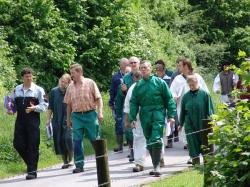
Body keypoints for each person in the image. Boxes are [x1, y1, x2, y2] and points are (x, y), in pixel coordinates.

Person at [130, 61, 176, 177]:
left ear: (151, 69)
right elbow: (134, 102)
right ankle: (157, 161)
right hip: (145, 115)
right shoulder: (138, 85)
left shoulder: (159, 82)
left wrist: (171, 115)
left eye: (145, 67)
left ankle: (156, 167)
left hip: (158, 114)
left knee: (155, 139)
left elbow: (169, 99)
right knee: (150, 140)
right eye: (142, 68)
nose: (143, 70)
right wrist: (132, 118)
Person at [7, 68, 48, 180]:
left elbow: (45, 105)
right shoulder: (17, 89)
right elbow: (10, 101)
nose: (29, 78)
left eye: (30, 76)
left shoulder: (39, 90)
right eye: (26, 76)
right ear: (22, 77)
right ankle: (31, 164)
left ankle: (32, 171)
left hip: (33, 121)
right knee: (17, 144)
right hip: (20, 121)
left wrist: (35, 108)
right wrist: (10, 109)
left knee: (33, 146)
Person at [64, 63, 103, 173]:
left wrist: (100, 113)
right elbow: (68, 105)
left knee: (95, 139)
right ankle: (79, 165)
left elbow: (99, 99)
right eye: (71, 73)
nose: (71, 76)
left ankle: (101, 160)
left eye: (73, 73)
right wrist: (68, 119)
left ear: (80, 72)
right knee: (77, 141)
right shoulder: (70, 87)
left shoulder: (90, 83)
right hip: (76, 116)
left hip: (90, 114)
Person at [179, 75, 214, 165]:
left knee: (205, 143)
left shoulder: (205, 95)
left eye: (193, 85)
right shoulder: (186, 97)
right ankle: (196, 163)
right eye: (189, 85)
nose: (191, 87)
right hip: (190, 124)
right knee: (192, 143)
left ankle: (207, 162)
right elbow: (183, 111)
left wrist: (212, 121)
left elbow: (210, 110)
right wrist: (181, 123)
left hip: (203, 123)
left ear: (197, 83)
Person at [115, 56, 140, 161]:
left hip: (144, 108)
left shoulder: (144, 75)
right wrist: (119, 113)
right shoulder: (125, 78)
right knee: (129, 131)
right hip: (130, 108)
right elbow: (121, 96)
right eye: (131, 63)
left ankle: (145, 151)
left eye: (135, 62)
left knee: (143, 131)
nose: (133, 64)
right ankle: (132, 151)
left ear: (138, 63)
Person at [47, 74, 73, 169]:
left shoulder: (71, 91)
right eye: (61, 81)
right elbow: (50, 107)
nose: (62, 84)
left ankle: (71, 159)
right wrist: (48, 119)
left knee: (68, 138)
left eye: (65, 82)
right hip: (57, 119)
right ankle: (65, 161)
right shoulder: (54, 91)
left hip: (68, 118)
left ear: (69, 83)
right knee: (60, 140)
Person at [124, 71, 146, 172]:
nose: (137, 79)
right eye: (136, 77)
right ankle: (139, 163)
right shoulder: (131, 89)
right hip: (136, 117)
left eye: (139, 77)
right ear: (133, 79)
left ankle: (159, 158)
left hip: (151, 116)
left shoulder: (151, 85)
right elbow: (127, 106)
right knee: (138, 139)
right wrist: (127, 120)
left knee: (154, 138)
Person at [109, 58, 130, 153]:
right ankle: (120, 145)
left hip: (129, 103)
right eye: (124, 63)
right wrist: (111, 103)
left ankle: (131, 146)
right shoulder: (116, 77)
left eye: (127, 63)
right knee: (118, 124)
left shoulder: (131, 75)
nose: (125, 65)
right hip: (118, 104)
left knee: (128, 124)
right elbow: (112, 90)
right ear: (120, 65)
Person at [155, 60, 174, 149]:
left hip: (167, 102)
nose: (158, 70)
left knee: (169, 120)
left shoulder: (169, 78)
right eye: (157, 68)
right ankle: (159, 139)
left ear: (163, 69)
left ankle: (169, 140)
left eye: (160, 68)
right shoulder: (154, 79)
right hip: (158, 104)